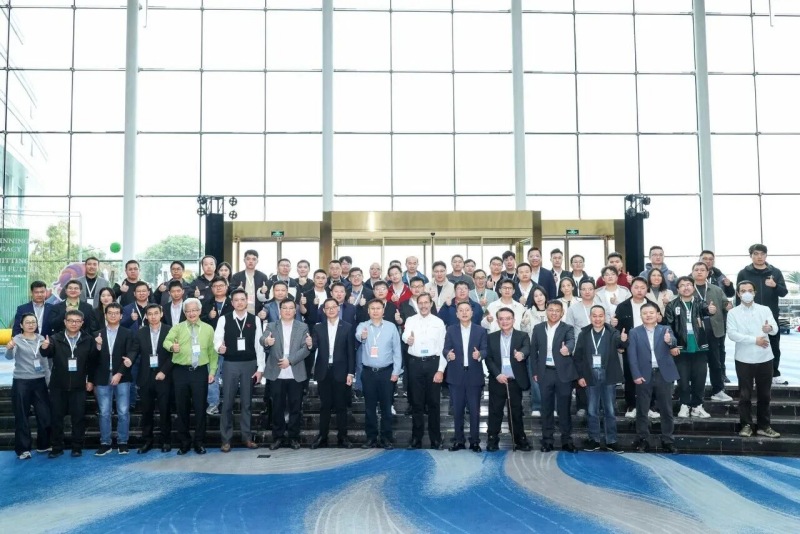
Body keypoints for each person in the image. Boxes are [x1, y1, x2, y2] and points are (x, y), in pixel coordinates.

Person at [163, 297, 218, 455]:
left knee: (200, 409)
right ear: (184, 312)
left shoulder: (208, 329)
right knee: (182, 409)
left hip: (200, 372)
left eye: (194, 310)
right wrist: (172, 347)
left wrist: (212, 371)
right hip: (180, 372)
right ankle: (184, 442)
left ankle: (199, 442)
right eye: (188, 311)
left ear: (200, 311)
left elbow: (213, 352)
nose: (191, 313)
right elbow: (166, 342)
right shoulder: (178, 327)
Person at [726, 281, 780, 439]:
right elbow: (732, 334)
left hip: (765, 358)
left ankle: (764, 426)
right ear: (738, 294)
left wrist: (770, 328)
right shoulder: (733, 313)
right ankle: (746, 425)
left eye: (750, 290)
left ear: (755, 293)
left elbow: (775, 328)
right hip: (743, 359)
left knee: (765, 395)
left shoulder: (765, 309)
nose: (747, 293)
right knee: (745, 395)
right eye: (743, 291)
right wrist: (754, 340)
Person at [40, 309, 97, 458]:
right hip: (58, 385)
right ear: (65, 322)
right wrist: (44, 347)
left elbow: (92, 362)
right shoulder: (55, 338)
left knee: (78, 418)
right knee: (56, 418)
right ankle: (56, 447)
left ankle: (77, 447)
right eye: (71, 321)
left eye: (77, 321)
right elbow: (47, 353)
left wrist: (91, 380)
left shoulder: (88, 339)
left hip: (79, 386)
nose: (74, 324)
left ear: (82, 323)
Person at [213, 288, 265, 452]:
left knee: (247, 403)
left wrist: (260, 368)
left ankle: (247, 437)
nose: (240, 302)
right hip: (230, 364)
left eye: (242, 299)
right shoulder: (224, 319)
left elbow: (259, 345)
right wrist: (219, 347)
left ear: (247, 300)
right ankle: (226, 440)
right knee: (227, 403)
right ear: (232, 302)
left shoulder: (255, 319)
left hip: (249, 364)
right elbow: (217, 339)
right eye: (236, 300)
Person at [628, 301, 679, 454]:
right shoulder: (634, 332)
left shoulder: (665, 329)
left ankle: (668, 440)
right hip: (643, 374)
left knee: (666, 409)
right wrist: (636, 374)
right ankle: (643, 439)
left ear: (658, 315)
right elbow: (632, 356)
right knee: (642, 409)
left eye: (651, 313)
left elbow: (674, 342)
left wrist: (670, 341)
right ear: (641, 316)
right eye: (645, 313)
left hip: (663, 374)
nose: (648, 315)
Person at [574, 305, 626, 453]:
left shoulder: (612, 332)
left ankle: (612, 440)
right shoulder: (584, 334)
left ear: (605, 317)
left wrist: (623, 340)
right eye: (594, 316)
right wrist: (580, 376)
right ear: (590, 317)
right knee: (592, 410)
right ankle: (594, 439)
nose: (597, 319)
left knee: (610, 410)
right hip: (590, 375)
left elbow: (621, 346)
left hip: (608, 375)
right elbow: (578, 357)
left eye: (600, 316)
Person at [735, 244, 789, 385]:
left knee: (774, 344)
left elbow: (784, 292)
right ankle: (752, 375)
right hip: (749, 315)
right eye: (756, 254)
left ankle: (774, 373)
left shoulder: (775, 272)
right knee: (751, 344)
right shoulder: (743, 273)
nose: (759, 257)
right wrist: (738, 314)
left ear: (766, 255)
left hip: (770, 315)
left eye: (762, 254)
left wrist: (775, 285)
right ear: (751, 255)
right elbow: (738, 294)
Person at [263, 299, 312, 450]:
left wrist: (290, 361)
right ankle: (278, 437)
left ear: (295, 311)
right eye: (285, 308)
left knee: (295, 407)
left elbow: (306, 349)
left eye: (291, 308)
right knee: (277, 407)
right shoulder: (272, 325)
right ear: (280, 310)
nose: (288, 311)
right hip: (276, 373)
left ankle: (293, 437)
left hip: (295, 372)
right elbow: (262, 339)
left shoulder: (302, 327)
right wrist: (267, 341)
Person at [90, 302, 136, 456]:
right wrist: (97, 347)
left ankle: (123, 442)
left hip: (122, 376)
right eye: (110, 313)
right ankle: (105, 443)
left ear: (121, 316)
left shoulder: (128, 333)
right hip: (102, 377)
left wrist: (119, 373)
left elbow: (130, 355)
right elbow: (91, 359)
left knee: (123, 411)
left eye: (116, 313)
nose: (113, 315)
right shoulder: (97, 334)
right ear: (105, 315)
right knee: (104, 412)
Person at [309, 298, 356, 449]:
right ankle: (322, 437)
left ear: (338, 308)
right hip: (324, 371)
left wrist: (351, 373)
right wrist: (310, 344)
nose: (331, 310)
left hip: (341, 371)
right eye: (327, 307)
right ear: (323, 310)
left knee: (341, 406)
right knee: (325, 406)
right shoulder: (318, 327)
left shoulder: (347, 327)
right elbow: (314, 346)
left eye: (333, 307)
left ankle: (343, 437)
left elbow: (351, 352)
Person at [663, 276, 712, 419]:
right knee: (683, 380)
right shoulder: (672, 305)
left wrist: (711, 310)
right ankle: (684, 405)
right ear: (678, 289)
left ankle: (697, 406)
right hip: (680, 347)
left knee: (700, 378)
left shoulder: (700, 302)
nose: (686, 287)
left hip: (699, 347)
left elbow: (707, 310)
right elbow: (668, 327)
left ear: (693, 287)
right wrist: (672, 345)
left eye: (689, 284)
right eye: (682, 285)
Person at [440, 301, 487, 452]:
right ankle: (458, 440)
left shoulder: (480, 330)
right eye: (461, 310)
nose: (464, 313)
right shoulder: (451, 330)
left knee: (474, 411)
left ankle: (475, 441)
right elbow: (445, 349)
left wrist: (480, 354)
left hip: (474, 376)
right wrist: (448, 354)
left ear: (472, 313)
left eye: (467, 310)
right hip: (456, 376)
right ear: (457, 314)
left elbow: (486, 349)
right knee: (457, 411)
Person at [356, 299, 402, 449]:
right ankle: (371, 438)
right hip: (368, 373)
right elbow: (358, 336)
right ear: (368, 311)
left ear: (383, 310)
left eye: (378, 308)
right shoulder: (363, 326)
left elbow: (397, 351)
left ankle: (386, 438)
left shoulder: (391, 327)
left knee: (386, 407)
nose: (375, 311)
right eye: (372, 308)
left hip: (386, 372)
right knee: (369, 408)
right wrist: (363, 337)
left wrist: (396, 371)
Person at [531, 300, 577, 452]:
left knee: (564, 409)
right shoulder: (538, 328)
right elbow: (533, 352)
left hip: (563, 374)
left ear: (562, 313)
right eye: (551, 309)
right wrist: (535, 372)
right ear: (546, 311)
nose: (554, 313)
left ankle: (567, 441)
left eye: (557, 310)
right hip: (545, 372)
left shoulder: (567, 328)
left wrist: (568, 349)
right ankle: (547, 441)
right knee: (546, 408)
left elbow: (571, 341)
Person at [402, 292, 446, 450]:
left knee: (434, 403)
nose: (423, 305)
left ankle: (436, 439)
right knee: (416, 403)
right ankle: (416, 438)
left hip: (433, 363)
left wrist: (441, 370)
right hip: (415, 363)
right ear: (417, 304)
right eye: (420, 303)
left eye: (426, 302)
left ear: (431, 304)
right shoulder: (411, 320)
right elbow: (405, 334)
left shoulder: (438, 322)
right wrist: (408, 339)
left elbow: (443, 348)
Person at [485, 307, 532, 452]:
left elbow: (527, 348)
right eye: (501, 319)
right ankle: (492, 439)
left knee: (516, 412)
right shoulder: (491, 337)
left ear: (513, 320)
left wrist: (521, 354)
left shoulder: (522, 335)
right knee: (495, 411)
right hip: (498, 380)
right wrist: (497, 374)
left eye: (508, 318)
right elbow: (488, 358)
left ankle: (520, 439)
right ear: (497, 321)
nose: (505, 321)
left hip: (514, 381)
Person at [5, 313, 51, 459]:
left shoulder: (41, 339)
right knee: (22, 415)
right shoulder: (16, 339)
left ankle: (44, 445)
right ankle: (23, 449)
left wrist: (48, 381)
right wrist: (9, 348)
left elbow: (45, 362)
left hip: (40, 381)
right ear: (21, 325)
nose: (31, 325)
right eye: (27, 322)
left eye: (33, 322)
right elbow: (9, 357)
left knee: (45, 415)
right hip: (21, 382)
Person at [612, 277, 657, 420]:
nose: (639, 290)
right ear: (631, 288)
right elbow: (618, 329)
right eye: (636, 287)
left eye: (642, 287)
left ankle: (650, 406)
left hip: (650, 345)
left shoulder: (652, 305)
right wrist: (620, 344)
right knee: (630, 376)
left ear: (647, 289)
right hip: (630, 345)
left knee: (650, 376)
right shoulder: (623, 306)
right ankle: (631, 405)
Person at [690, 261, 733, 402]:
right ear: (692, 272)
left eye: (702, 270)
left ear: (707, 273)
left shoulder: (716, 289)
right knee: (695, 364)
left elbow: (725, 303)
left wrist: (728, 305)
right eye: (696, 269)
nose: (699, 272)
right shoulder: (687, 288)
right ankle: (694, 392)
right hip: (694, 333)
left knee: (716, 363)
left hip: (714, 331)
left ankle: (718, 391)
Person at [135, 304, 174, 453]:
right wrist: (129, 360)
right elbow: (134, 350)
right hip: (145, 377)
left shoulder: (170, 330)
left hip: (164, 376)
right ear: (146, 316)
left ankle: (166, 441)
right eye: (150, 314)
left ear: (161, 314)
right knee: (146, 411)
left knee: (165, 410)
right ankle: (147, 441)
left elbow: (174, 354)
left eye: (156, 313)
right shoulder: (141, 332)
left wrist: (164, 371)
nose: (153, 316)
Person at [230, 249, 270, 316]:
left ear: (257, 261)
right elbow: (231, 292)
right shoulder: (236, 276)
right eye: (248, 259)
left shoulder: (263, 277)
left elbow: (267, 297)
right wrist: (237, 289)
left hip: (258, 312)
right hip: (240, 311)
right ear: (244, 260)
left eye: (254, 259)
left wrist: (263, 292)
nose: (251, 261)